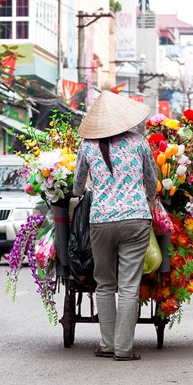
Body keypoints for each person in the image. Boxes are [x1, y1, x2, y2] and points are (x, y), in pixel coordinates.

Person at [72, 91, 157, 361]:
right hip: (136, 218)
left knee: (105, 284)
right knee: (129, 285)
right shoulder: (139, 142)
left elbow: (77, 185)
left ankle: (108, 345)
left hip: (100, 220)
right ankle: (123, 349)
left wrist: (85, 190)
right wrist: (150, 200)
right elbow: (151, 180)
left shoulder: (87, 146)